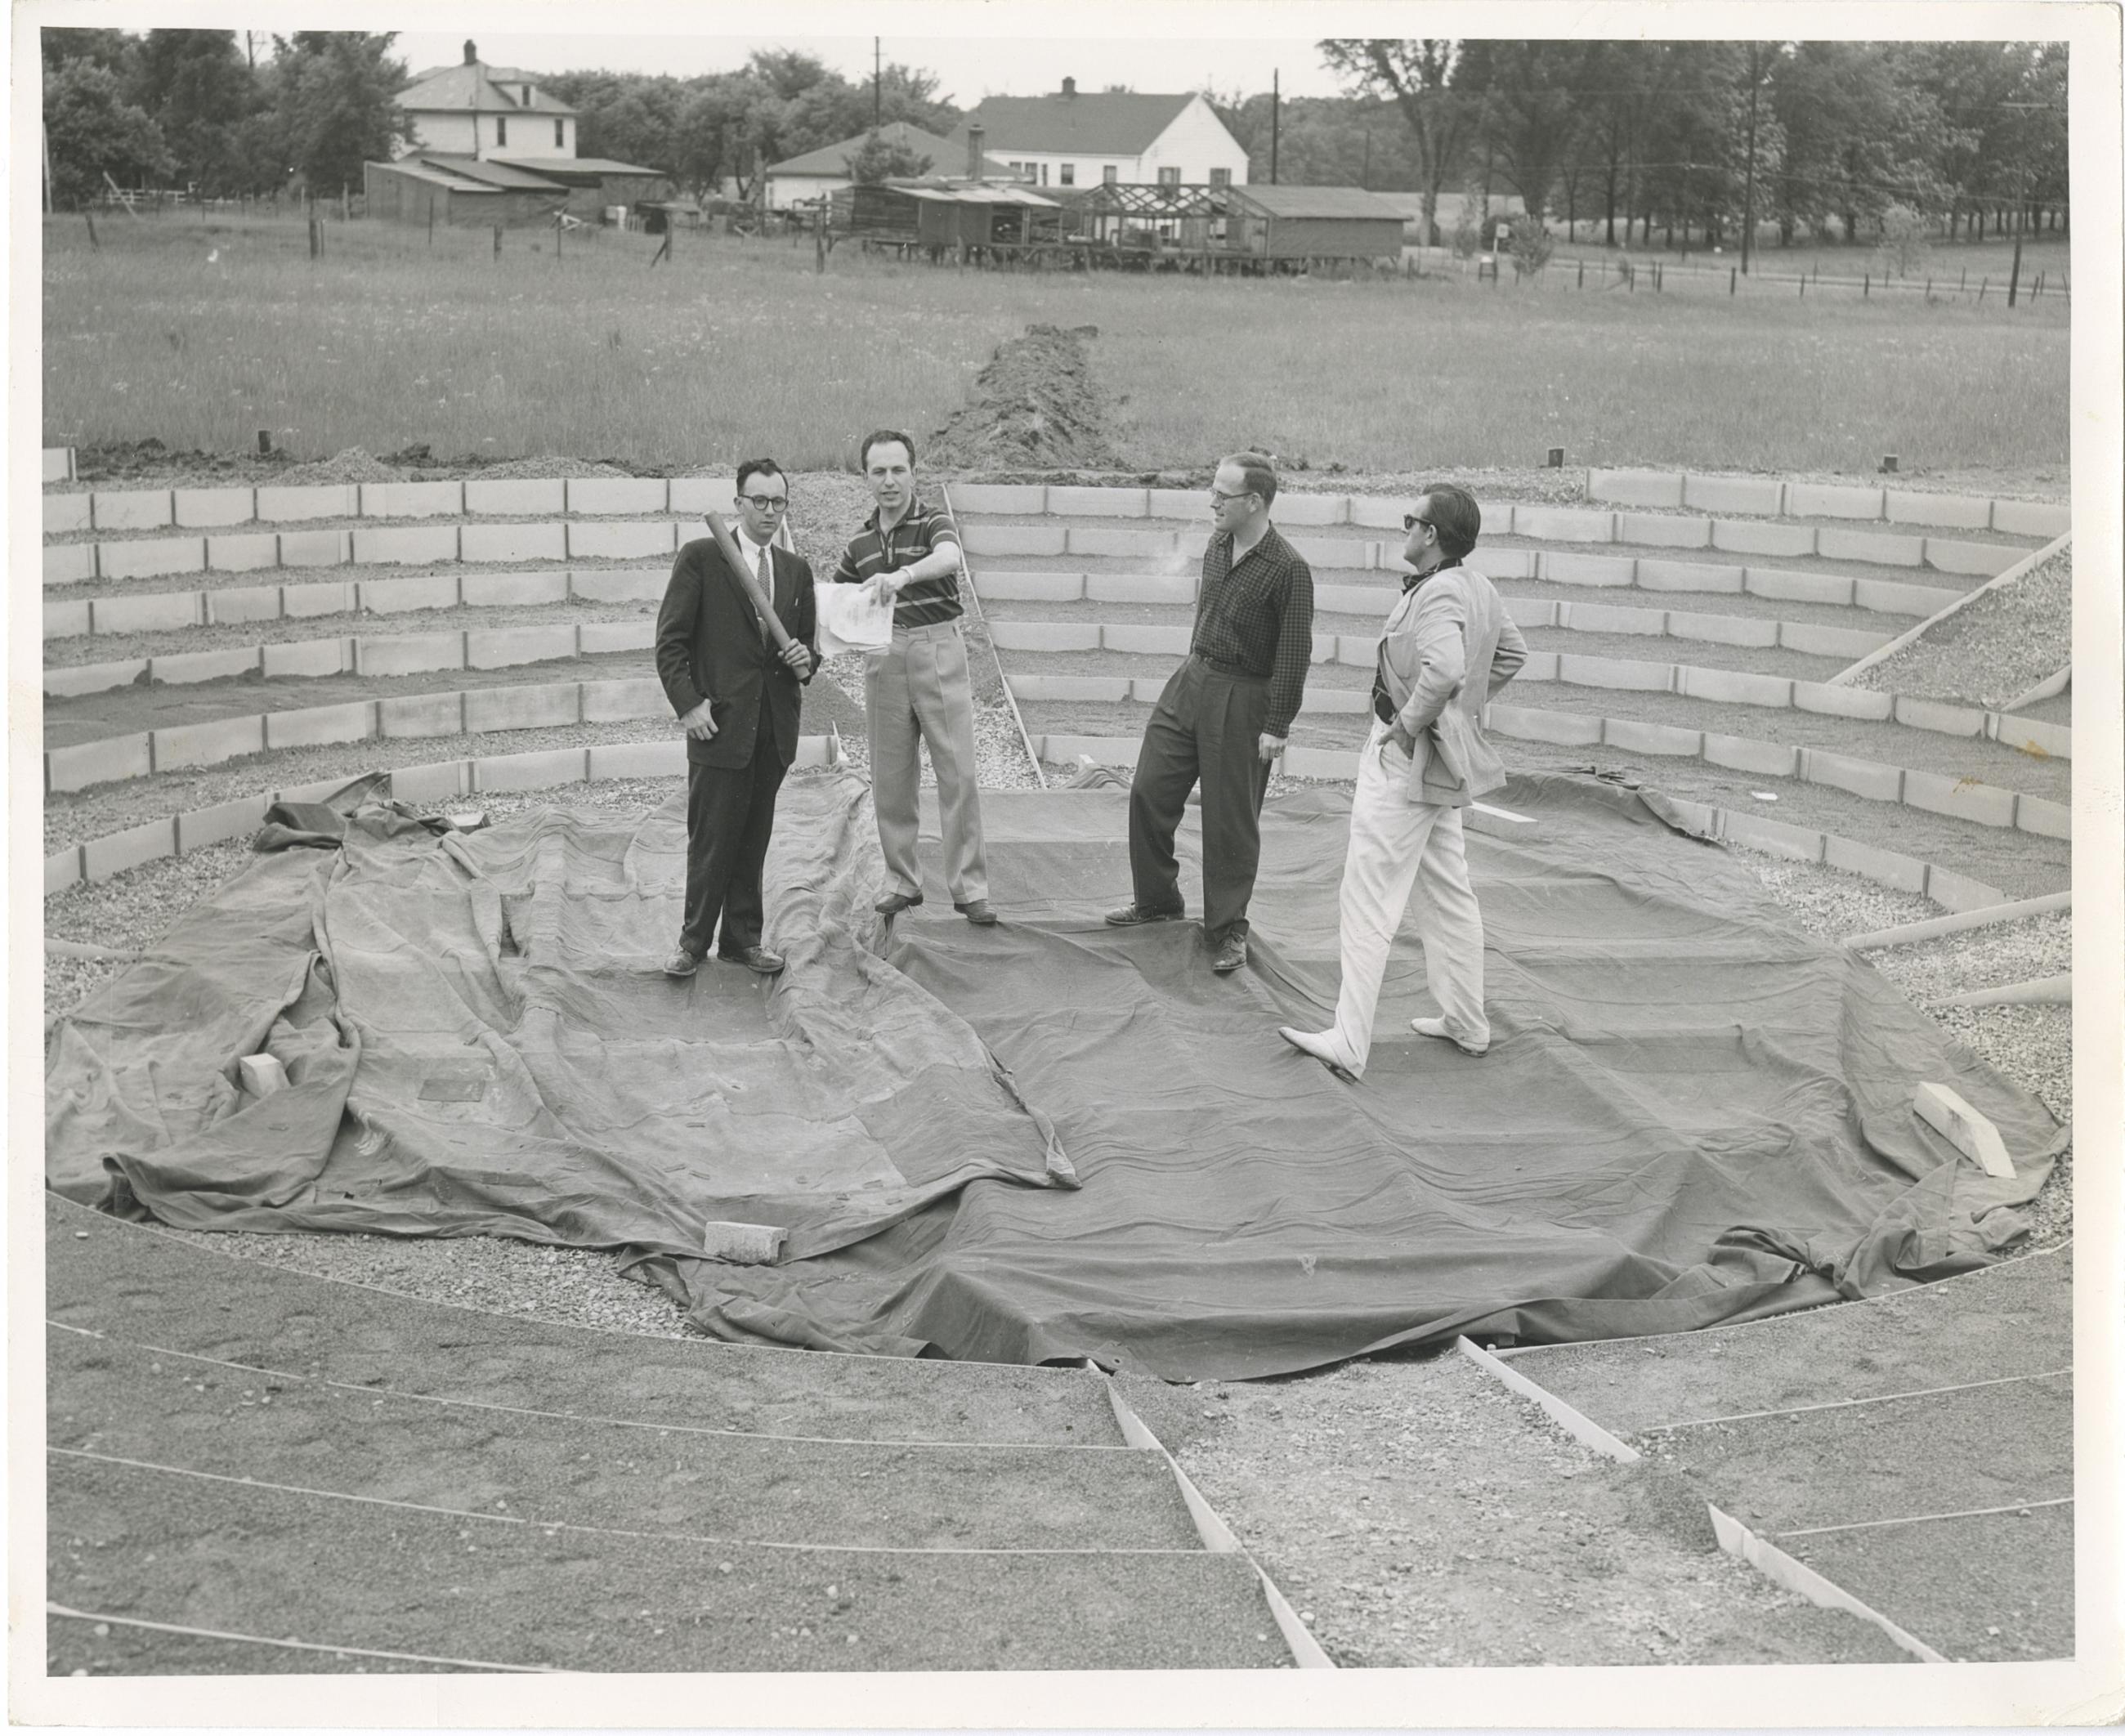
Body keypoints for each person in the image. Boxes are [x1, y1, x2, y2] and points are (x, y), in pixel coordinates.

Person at [1279, 483, 1528, 1080]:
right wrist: (1457, 711)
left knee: (1368, 895)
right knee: (1447, 890)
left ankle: (1349, 1040)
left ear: (1432, 534)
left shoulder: (1438, 592)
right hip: (1436, 758)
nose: (1405, 529)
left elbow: (1445, 670)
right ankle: (1466, 1021)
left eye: (1411, 521)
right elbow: (1511, 654)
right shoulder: (1477, 586)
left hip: (1405, 754)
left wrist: (1414, 719)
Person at [1106, 451, 1314, 975]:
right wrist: (1193, 668)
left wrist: (1278, 724)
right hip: (1194, 677)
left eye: (1223, 494)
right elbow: (1206, 613)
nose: (1212, 501)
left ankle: (1226, 930)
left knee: (1230, 821)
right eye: (1213, 490)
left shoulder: (1289, 569)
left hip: (1244, 697)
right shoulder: (1218, 544)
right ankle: (1158, 900)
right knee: (1149, 789)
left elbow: (1294, 653)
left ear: (1255, 501)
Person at [655, 459, 819, 978]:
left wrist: (807, 659)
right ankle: (692, 942)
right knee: (711, 839)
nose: (770, 511)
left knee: (753, 838)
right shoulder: (703, 557)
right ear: (739, 503)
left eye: (779, 502)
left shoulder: (795, 570)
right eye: (759, 501)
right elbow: (671, 643)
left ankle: (742, 940)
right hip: (719, 725)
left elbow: (808, 647)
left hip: (773, 727)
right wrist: (689, 704)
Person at [834, 429, 995, 925]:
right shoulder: (859, 543)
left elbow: (950, 558)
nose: (889, 481)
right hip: (884, 654)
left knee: (957, 772)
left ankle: (970, 888)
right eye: (879, 471)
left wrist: (901, 577)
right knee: (890, 776)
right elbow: (837, 600)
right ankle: (902, 881)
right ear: (865, 477)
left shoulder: (933, 522)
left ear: (914, 473)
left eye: (898, 470)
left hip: (937, 647)